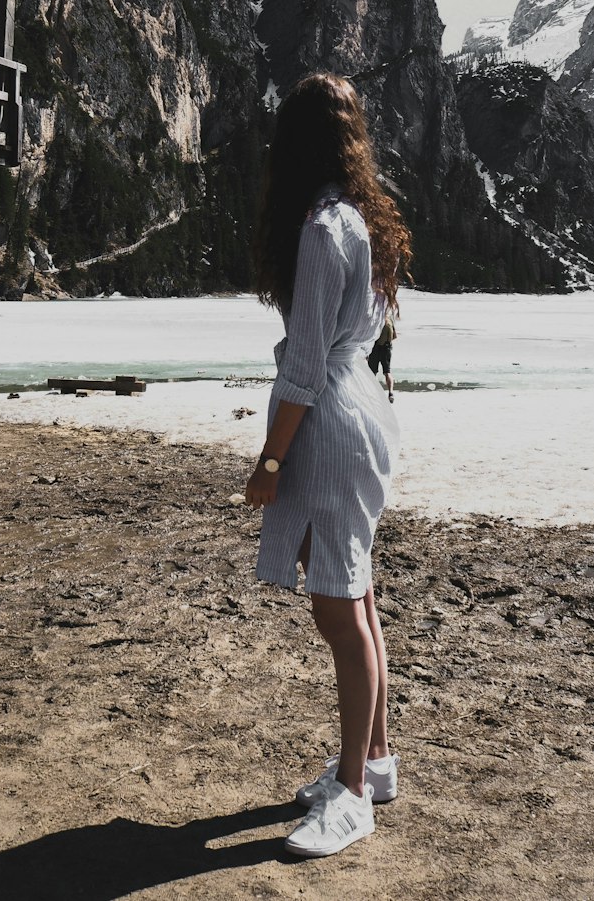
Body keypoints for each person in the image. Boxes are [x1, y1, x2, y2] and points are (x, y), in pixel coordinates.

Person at [245, 72, 412, 859]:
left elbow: (305, 362)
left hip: (335, 423)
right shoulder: (364, 217)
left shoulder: (320, 226)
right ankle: (373, 763)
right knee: (359, 593)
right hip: (364, 410)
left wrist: (272, 456)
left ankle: (351, 795)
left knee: (338, 610)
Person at [367, 311, 396, 402]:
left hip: (375, 348)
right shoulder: (390, 320)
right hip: (387, 348)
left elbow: (370, 335)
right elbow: (394, 336)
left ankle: (374, 393)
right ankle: (391, 392)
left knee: (373, 373)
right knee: (387, 372)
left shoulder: (376, 320)